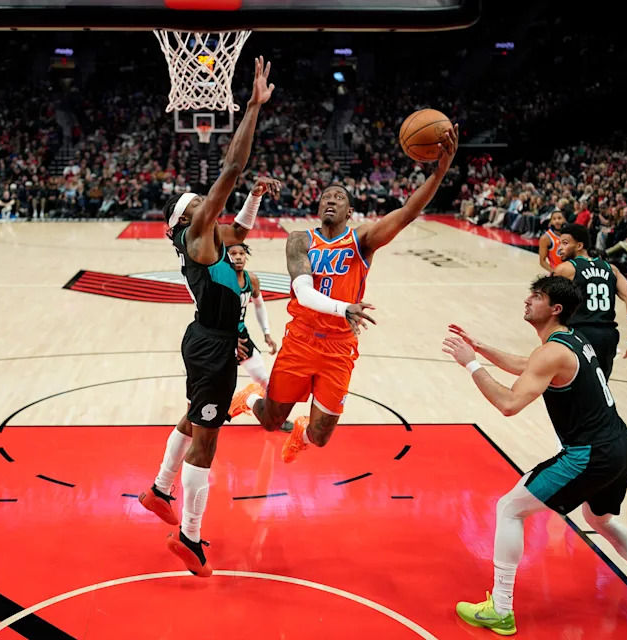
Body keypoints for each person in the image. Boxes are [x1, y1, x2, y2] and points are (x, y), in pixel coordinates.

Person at [443, 276, 627, 636]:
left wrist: (471, 365)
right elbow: (527, 364)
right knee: (601, 519)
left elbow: (509, 404)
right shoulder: (570, 339)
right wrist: (480, 347)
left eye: (537, 296)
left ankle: (500, 608)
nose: (528, 300)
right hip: (622, 445)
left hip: (591, 454)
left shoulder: (553, 351)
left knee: (509, 508)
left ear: (555, 308)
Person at [231, 124, 459, 461]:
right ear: (318, 207)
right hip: (301, 340)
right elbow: (303, 291)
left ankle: (301, 433)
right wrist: (343, 308)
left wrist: (439, 172)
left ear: (350, 212)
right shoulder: (300, 240)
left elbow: (408, 212)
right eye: (326, 197)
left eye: (339, 198)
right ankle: (249, 397)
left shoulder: (362, 240)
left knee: (320, 437)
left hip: (339, 348)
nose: (331, 201)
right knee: (271, 419)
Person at [136, 56, 275, 577]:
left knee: (194, 415)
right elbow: (232, 169)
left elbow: (240, 230)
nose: (207, 204)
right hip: (212, 345)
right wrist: (253, 109)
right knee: (207, 439)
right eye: (200, 202)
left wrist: (257, 198)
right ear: (187, 219)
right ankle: (191, 538)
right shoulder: (198, 238)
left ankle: (159, 489)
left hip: (210, 337)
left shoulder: (211, 238)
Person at [554, 223, 627, 381]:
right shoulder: (611, 269)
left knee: (573, 389)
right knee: (600, 388)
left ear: (579, 245)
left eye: (565, 243)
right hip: (607, 337)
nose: (560, 248)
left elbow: (548, 302)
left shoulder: (566, 269)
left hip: (579, 334)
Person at [226, 244, 291, 433]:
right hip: (220, 340)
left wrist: (267, 333)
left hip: (242, 338)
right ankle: (209, 419)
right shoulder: (220, 281)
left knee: (265, 380)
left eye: (241, 253)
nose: (238, 257)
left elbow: (259, 306)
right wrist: (229, 340)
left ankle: (275, 419)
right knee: (218, 386)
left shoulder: (251, 279)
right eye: (233, 254)